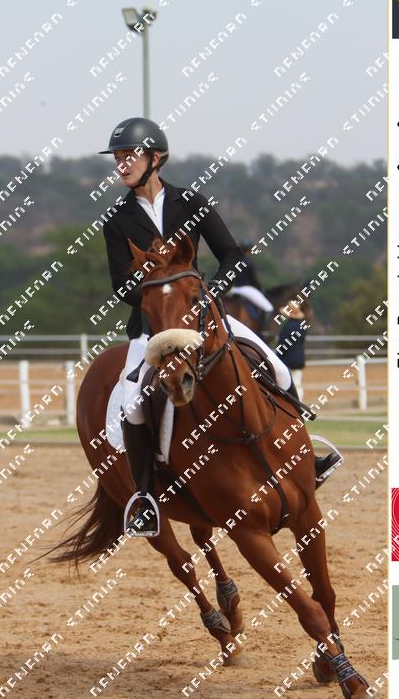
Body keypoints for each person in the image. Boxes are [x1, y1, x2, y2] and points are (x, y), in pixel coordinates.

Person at [100, 118, 339, 536]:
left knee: (276, 367)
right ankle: (145, 498)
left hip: (206, 316)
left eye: (129, 156)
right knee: (133, 403)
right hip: (151, 327)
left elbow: (231, 254)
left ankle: (305, 459)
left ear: (155, 158)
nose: (121, 165)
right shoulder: (117, 219)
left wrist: (206, 293)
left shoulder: (191, 202)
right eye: (118, 158)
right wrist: (160, 299)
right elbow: (121, 285)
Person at [228, 239, 274, 323]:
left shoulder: (234, 262)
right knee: (269, 308)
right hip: (246, 290)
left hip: (232, 289)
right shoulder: (249, 263)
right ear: (249, 250)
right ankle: (264, 329)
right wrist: (261, 289)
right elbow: (254, 280)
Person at [276, 294, 312, 400]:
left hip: (286, 360)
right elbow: (301, 342)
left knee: (286, 385)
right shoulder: (302, 326)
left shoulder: (286, 327)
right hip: (298, 359)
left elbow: (282, 345)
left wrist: (278, 357)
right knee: (298, 384)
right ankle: (299, 404)